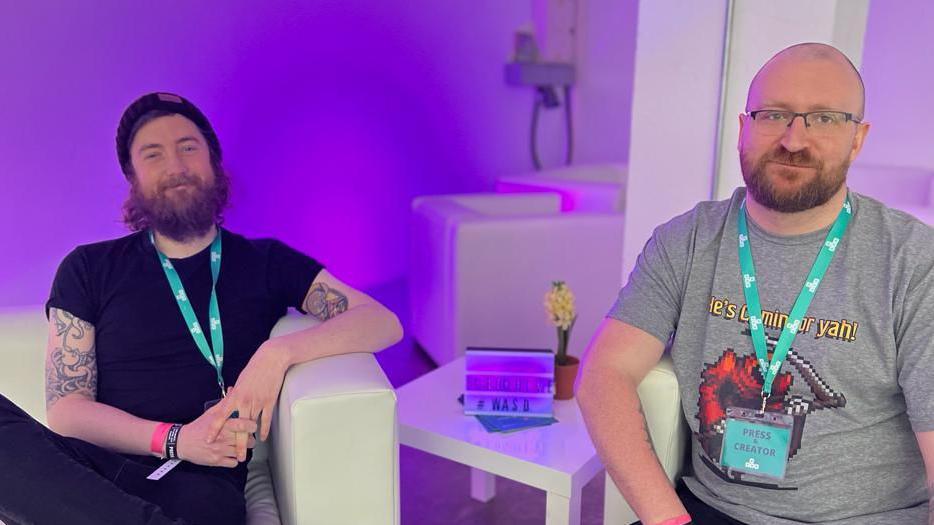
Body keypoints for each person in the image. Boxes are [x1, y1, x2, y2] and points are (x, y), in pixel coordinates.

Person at [0, 92, 403, 525]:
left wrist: (277, 355)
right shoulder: (88, 267)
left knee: (211, 506)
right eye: (153, 154)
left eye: (188, 147)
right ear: (133, 178)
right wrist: (177, 439)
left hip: (199, 486)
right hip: (94, 473)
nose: (174, 166)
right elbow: (67, 411)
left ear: (213, 162)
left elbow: (382, 322)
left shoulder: (265, 262)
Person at [577, 43, 934, 524]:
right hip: (708, 512)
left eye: (825, 118)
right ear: (744, 129)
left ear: (857, 139)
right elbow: (604, 374)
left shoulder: (913, 260)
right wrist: (666, 518)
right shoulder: (688, 240)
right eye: (774, 115)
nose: (793, 139)